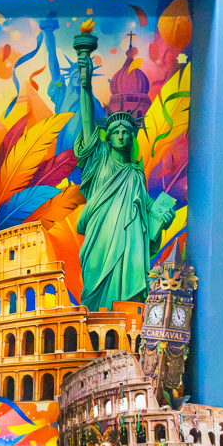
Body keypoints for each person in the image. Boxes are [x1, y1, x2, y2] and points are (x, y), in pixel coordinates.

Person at [74, 48, 175, 312]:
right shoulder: (99, 159)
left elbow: (146, 213)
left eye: (126, 132)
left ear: (132, 137)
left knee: (127, 305)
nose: (121, 135)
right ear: (108, 137)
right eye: (116, 131)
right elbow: (87, 122)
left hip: (130, 244)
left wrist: (162, 218)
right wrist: (85, 86)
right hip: (100, 238)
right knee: (95, 294)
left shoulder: (135, 173)